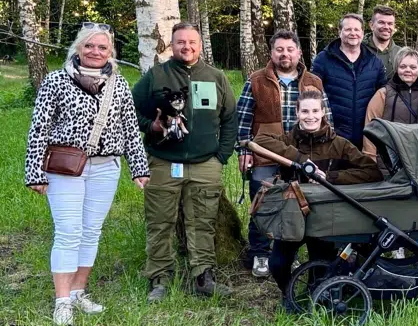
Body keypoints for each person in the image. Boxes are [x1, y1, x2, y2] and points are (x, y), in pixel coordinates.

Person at [25, 23, 150, 325]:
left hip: (106, 168)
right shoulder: (55, 80)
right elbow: (38, 129)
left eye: (102, 47)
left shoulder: (118, 85)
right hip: (65, 167)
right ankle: (62, 301)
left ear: (111, 52)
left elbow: (131, 130)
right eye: (89, 46)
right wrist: (34, 172)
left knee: (91, 232)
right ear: (78, 49)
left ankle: (79, 292)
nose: (95, 52)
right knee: (69, 232)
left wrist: (139, 168)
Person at [134, 22, 238, 302]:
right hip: (163, 162)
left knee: (203, 222)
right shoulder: (156, 75)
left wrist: (221, 156)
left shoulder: (216, 77)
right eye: (181, 42)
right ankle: (159, 278)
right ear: (172, 44)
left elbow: (230, 119)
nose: (186, 47)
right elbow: (131, 112)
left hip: (206, 164)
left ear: (200, 45)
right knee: (160, 222)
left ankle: (203, 277)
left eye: (192, 42)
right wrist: (152, 127)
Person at [253, 90, 381, 309]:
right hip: (292, 213)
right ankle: (288, 292)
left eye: (314, 111)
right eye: (304, 111)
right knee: (277, 263)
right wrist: (302, 160)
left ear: (323, 113)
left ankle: (317, 292)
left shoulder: (339, 144)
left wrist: (330, 178)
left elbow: (372, 171)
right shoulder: (288, 139)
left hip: (325, 215)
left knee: (322, 265)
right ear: (297, 113)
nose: (310, 116)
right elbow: (260, 140)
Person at [235, 31, 329, 278]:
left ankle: (288, 254)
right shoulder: (256, 81)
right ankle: (260, 254)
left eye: (290, 49)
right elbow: (243, 120)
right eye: (279, 49)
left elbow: (326, 119)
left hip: (300, 157)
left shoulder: (314, 82)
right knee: (263, 204)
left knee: (295, 205)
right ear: (272, 52)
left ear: (299, 53)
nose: (285, 54)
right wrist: (243, 152)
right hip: (264, 154)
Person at [311, 13, 386, 149]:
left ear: (362, 33)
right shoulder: (323, 59)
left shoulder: (375, 62)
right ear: (340, 32)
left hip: (365, 135)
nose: (353, 33)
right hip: (332, 135)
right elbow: (313, 93)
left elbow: (383, 96)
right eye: (348, 29)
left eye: (357, 30)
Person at [362, 47, 418, 146]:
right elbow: (371, 125)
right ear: (396, 68)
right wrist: (370, 157)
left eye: (413, 67)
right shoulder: (383, 93)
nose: (407, 70)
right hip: (389, 154)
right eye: (403, 66)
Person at [364, 6, 403, 81]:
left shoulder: (401, 54)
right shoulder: (358, 51)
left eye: (390, 23)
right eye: (381, 22)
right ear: (371, 25)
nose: (386, 27)